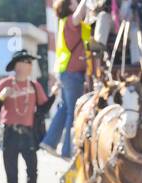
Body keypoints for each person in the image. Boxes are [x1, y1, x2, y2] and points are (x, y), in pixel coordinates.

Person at [0, 50, 48, 183]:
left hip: (28, 132)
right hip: (9, 132)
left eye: (30, 62)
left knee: (32, 169)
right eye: (27, 62)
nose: (30, 65)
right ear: (17, 65)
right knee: (11, 171)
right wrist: (2, 98)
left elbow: (43, 109)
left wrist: (55, 95)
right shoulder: (4, 84)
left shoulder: (34, 86)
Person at [42, 0, 94, 160]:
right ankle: (68, 151)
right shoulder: (71, 20)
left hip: (66, 73)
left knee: (65, 108)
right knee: (73, 111)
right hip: (73, 74)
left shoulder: (65, 23)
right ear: (68, 7)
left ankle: (50, 141)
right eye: (74, 2)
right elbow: (79, 15)